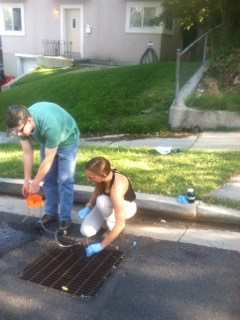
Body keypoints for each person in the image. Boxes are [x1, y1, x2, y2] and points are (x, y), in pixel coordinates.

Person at [5, 102, 80, 233]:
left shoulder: (50, 126)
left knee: (64, 180)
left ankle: (65, 218)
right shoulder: (21, 124)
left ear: (29, 120)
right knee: (49, 178)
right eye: (16, 132)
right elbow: (27, 152)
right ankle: (51, 213)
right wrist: (27, 181)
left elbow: (49, 158)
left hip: (67, 139)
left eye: (21, 130)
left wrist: (36, 182)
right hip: (48, 141)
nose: (19, 134)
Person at [78, 157, 137, 257]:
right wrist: (88, 206)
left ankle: (111, 227)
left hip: (126, 207)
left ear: (103, 175)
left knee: (101, 201)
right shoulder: (103, 174)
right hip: (106, 205)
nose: (89, 179)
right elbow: (97, 190)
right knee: (86, 231)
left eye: (92, 177)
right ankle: (107, 217)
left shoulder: (116, 188)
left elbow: (120, 223)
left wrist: (101, 245)